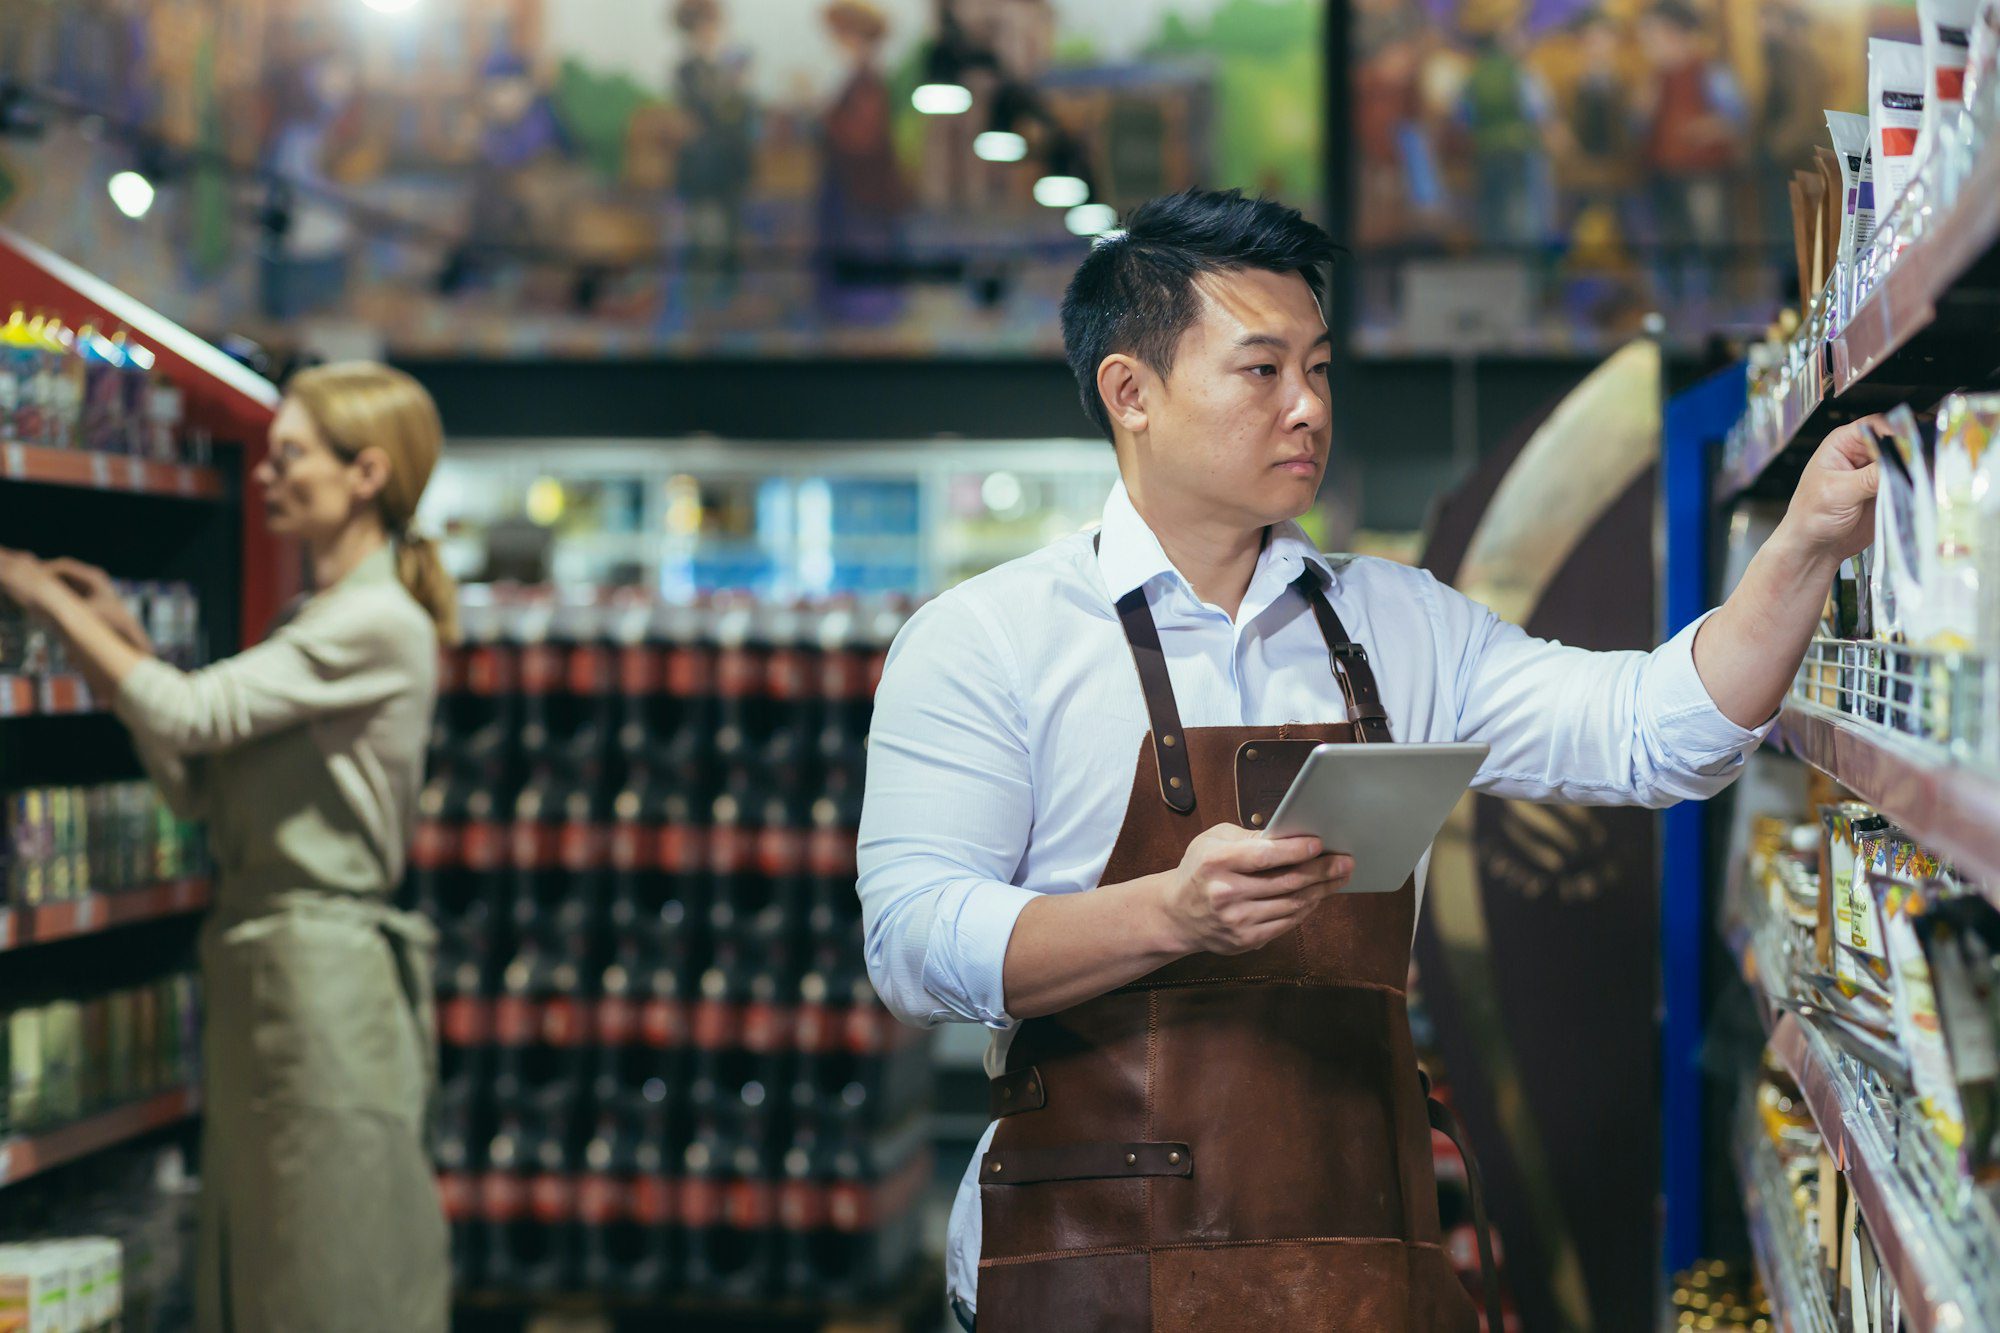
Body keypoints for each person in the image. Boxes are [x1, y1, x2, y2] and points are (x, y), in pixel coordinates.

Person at [855, 190, 1877, 1332]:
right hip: (1084, 1267)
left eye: (1320, 367)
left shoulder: (1395, 625)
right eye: (1260, 370)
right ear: (1129, 394)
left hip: (1349, 1255)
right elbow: (911, 941)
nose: (1307, 406)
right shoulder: (987, 639)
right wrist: (1170, 914)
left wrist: (1800, 549)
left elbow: (1649, 734)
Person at [0, 363, 458, 1333]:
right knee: (261, 1262)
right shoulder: (314, 621)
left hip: (324, 984)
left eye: (290, 454)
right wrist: (117, 636)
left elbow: (194, 712)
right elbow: (197, 786)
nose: (265, 474)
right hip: (270, 971)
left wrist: (45, 599)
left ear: (365, 472)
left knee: (324, 1271)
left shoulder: (378, 623)